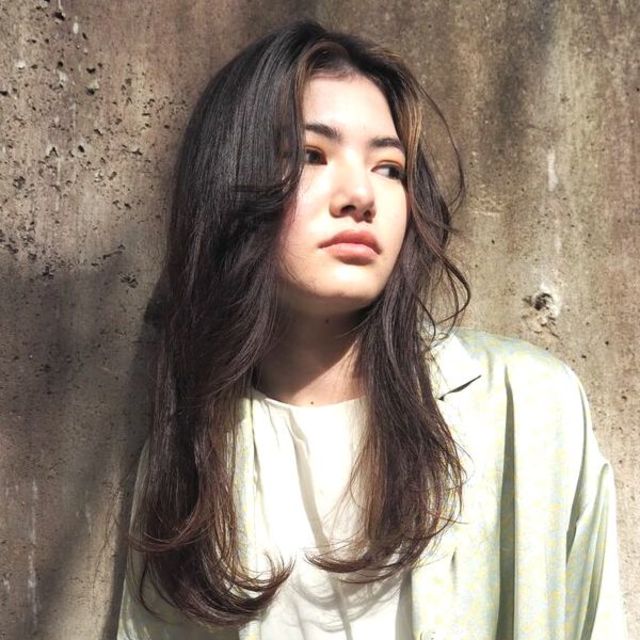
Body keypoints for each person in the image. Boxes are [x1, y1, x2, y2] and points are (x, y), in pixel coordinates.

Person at [117, 20, 627, 640]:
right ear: (229, 184)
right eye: (312, 155)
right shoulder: (192, 455)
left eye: (389, 167)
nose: (360, 194)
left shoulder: (531, 405)